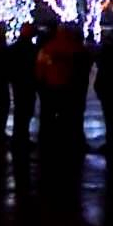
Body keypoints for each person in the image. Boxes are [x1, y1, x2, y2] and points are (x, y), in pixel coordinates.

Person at [35, 23, 86, 152]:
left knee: (48, 116)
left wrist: (41, 81)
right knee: (68, 117)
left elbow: (40, 67)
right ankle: (68, 142)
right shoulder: (75, 47)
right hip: (69, 87)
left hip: (50, 85)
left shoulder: (48, 47)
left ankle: (46, 141)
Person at [6, 22, 39, 148]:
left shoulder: (15, 48)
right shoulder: (31, 49)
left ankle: (19, 136)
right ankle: (21, 138)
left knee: (21, 110)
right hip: (28, 82)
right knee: (25, 111)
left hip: (19, 82)